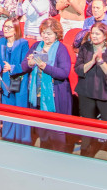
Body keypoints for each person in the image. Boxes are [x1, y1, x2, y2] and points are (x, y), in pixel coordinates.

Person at [74, 21, 107, 161]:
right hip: (86, 91)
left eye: (97, 33)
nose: (94, 36)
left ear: (105, 35)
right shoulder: (85, 47)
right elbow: (78, 69)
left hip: (106, 93)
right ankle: (85, 154)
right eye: (92, 33)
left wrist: (100, 61)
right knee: (87, 127)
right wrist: (92, 62)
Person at [28, 18, 73, 150]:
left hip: (55, 95)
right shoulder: (36, 46)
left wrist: (45, 67)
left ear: (56, 35)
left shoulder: (61, 49)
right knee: (42, 131)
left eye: (49, 33)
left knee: (56, 133)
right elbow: (25, 64)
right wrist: (29, 63)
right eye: (43, 33)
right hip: (38, 93)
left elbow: (64, 73)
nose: (45, 36)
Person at [0, 20, 32, 144]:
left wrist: (12, 67)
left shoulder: (23, 43)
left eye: (9, 27)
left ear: (16, 30)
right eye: (5, 26)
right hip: (6, 80)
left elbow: (26, 64)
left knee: (20, 110)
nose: (5, 29)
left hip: (20, 80)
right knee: (8, 110)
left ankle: (23, 140)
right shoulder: (0, 42)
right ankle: (8, 139)